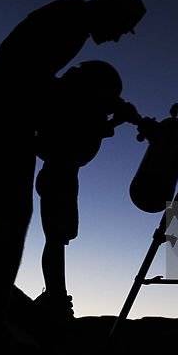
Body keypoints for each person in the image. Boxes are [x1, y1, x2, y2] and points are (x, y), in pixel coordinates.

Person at [0, 0, 145, 348]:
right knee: (8, 222)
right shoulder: (67, 23)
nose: (119, 38)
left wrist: (97, 109)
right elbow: (32, 82)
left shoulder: (69, 21)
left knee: (5, 221)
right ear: (113, 12)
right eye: (122, 28)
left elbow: (45, 89)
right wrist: (98, 105)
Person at [33, 61, 141, 322]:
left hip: (65, 175)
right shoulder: (71, 105)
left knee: (59, 239)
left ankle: (56, 294)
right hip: (60, 174)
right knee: (57, 239)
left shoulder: (79, 106)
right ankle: (55, 296)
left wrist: (117, 119)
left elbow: (87, 130)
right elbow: (78, 132)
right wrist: (118, 118)